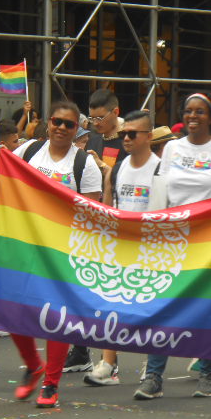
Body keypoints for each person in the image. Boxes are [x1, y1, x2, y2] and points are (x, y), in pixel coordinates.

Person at [133, 91, 211, 400]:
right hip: (171, 239)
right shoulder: (171, 149)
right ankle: (154, 377)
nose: (193, 116)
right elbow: (161, 191)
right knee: (163, 307)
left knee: (205, 309)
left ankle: (208, 375)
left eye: (200, 112)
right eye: (188, 111)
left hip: (209, 242)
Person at [11, 101, 102, 407]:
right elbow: (7, 186)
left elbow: (92, 212)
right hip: (26, 245)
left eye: (69, 124)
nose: (62, 128)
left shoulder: (84, 164)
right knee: (15, 312)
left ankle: (51, 383)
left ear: (78, 129)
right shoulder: (26, 153)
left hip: (65, 249)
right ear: (47, 123)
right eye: (56, 122)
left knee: (57, 317)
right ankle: (34, 366)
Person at [81, 110, 160, 387]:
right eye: (125, 133)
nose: (126, 138)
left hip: (150, 248)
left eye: (133, 134)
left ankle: (151, 366)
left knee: (151, 309)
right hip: (121, 245)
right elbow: (112, 205)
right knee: (110, 302)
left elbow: (163, 212)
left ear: (148, 136)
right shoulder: (121, 168)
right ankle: (109, 364)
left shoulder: (160, 168)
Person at [64, 88, 126, 373]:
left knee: (115, 293)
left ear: (115, 112)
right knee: (81, 289)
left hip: (122, 223)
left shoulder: (129, 141)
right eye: (92, 118)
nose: (96, 123)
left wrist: (103, 168)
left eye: (101, 117)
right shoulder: (94, 140)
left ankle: (116, 359)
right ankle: (80, 351)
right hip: (91, 222)